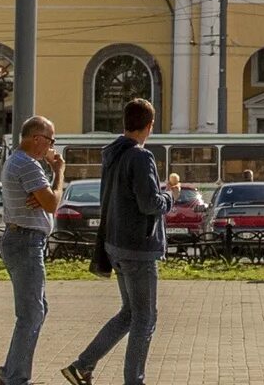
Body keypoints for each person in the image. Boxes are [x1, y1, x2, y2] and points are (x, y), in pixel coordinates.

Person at [64, 97, 178, 385]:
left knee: (129, 313)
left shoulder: (113, 153)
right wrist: (171, 196)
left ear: (125, 122)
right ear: (149, 126)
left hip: (115, 244)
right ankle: (133, 380)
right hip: (138, 248)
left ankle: (82, 366)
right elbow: (149, 203)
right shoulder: (140, 156)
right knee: (145, 319)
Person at [0, 115, 66, 385]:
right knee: (30, 314)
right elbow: (51, 203)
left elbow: (45, 199)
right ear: (36, 138)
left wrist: (46, 193)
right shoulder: (27, 165)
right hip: (25, 242)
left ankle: (10, 372)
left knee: (36, 310)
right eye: (50, 140)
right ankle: (16, 378)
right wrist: (59, 173)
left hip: (22, 240)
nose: (51, 146)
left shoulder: (22, 163)